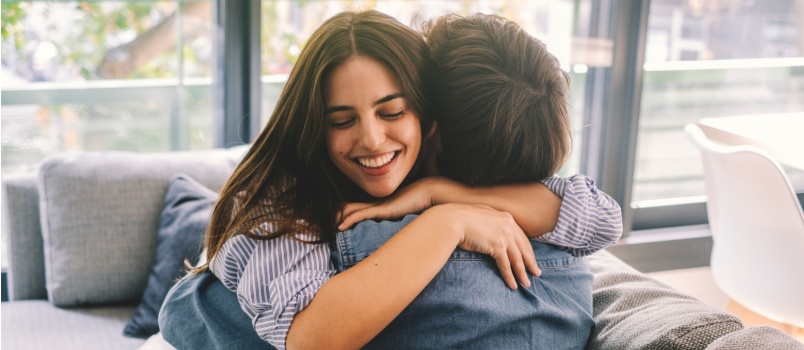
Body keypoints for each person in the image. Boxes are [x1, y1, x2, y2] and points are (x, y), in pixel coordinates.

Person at [159, 9, 621, 350]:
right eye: (341, 120)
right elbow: (312, 339)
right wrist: (450, 222)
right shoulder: (280, 203)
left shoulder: (440, 170)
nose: (372, 139)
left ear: (428, 118)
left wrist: (441, 193)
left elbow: (601, 220)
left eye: (393, 112)